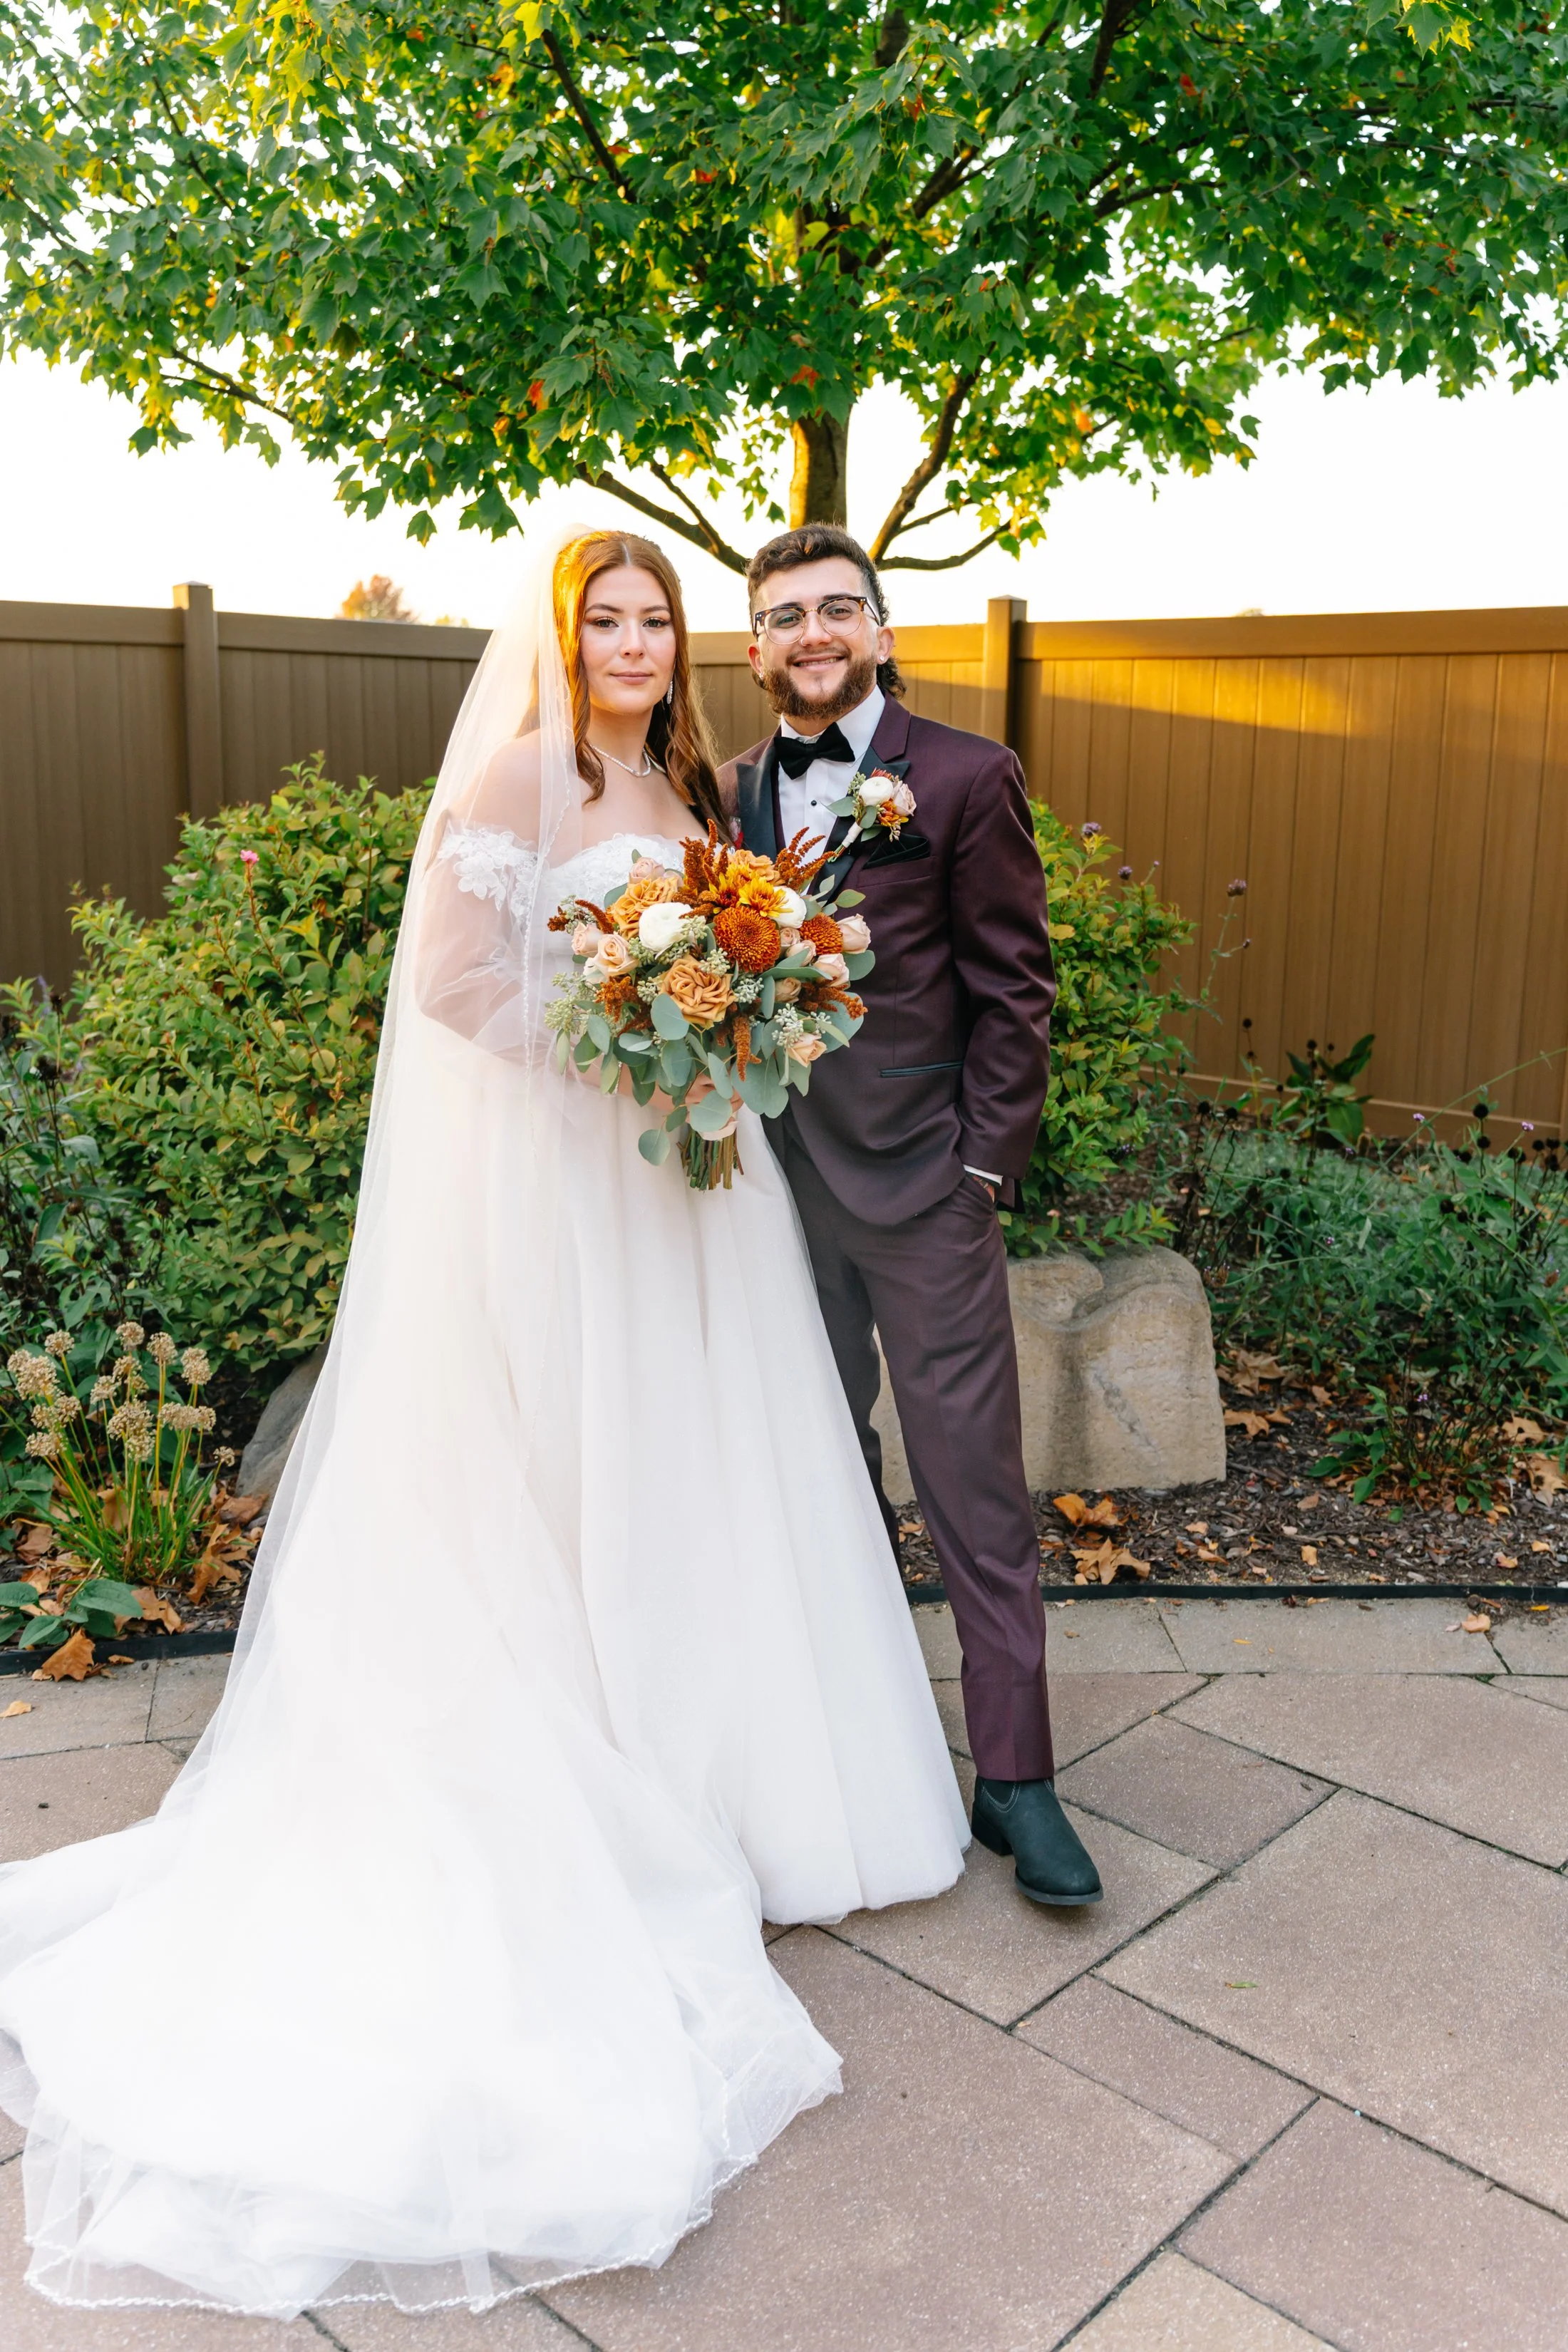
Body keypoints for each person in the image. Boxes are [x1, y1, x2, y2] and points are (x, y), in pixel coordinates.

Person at [0, 524, 966, 2321]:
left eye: (650, 620)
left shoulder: (684, 774)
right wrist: (616, 1024)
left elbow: (717, 943)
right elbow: (450, 984)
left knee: (707, 1469)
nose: (627, 640)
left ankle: (728, 1780)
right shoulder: (521, 766)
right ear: (560, 636)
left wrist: (727, 1002)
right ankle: (599, 1768)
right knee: (567, 1470)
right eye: (602, 620)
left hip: (685, 1181)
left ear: (681, 648)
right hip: (564, 1183)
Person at [724, 524, 1102, 1911]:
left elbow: (1013, 989)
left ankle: (1015, 1778)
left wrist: (981, 1172)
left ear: (879, 632)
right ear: (754, 646)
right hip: (769, 1205)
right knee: (805, 1493)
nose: (810, 633)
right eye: (782, 616)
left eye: (836, 610)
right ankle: (837, 1767)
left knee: (972, 1495)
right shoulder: (723, 797)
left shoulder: (960, 776)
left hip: (924, 1198)